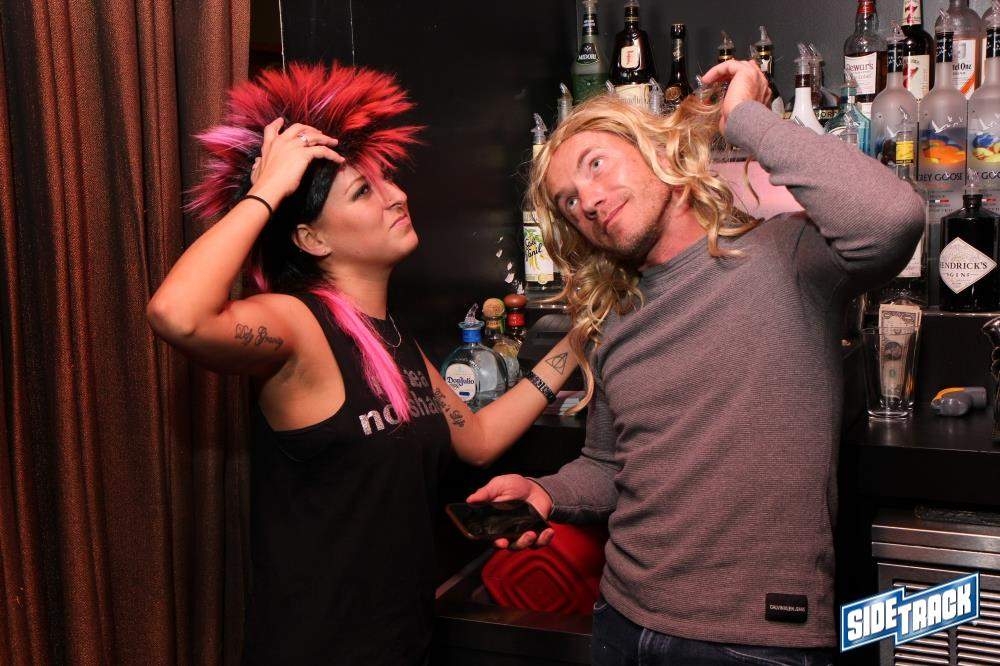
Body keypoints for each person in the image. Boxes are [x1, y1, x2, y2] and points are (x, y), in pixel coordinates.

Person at [468, 60, 925, 665]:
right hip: (622, 620)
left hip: (755, 641)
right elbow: (607, 465)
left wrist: (746, 118)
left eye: (595, 164)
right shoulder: (616, 318)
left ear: (658, 150)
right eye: (569, 200)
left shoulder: (786, 255)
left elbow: (893, 217)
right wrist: (544, 493)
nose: (589, 202)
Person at [146, 62, 577, 665]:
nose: (397, 195)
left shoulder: (391, 337)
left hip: (402, 643)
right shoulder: (298, 324)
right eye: (362, 192)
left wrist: (580, 341)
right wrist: (267, 190)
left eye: (386, 181)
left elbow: (478, 439)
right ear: (311, 239)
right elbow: (178, 316)